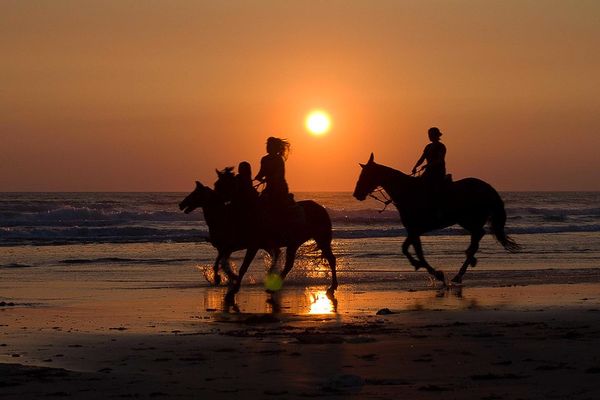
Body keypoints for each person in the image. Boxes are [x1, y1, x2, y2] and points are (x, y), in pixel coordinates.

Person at [254, 137, 293, 212]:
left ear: (274, 147)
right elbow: (261, 173)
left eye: (269, 145)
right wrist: (258, 177)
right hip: (269, 188)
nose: (267, 147)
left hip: (279, 188)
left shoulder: (279, 159)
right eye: (267, 145)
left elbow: (279, 175)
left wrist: (269, 179)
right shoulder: (264, 159)